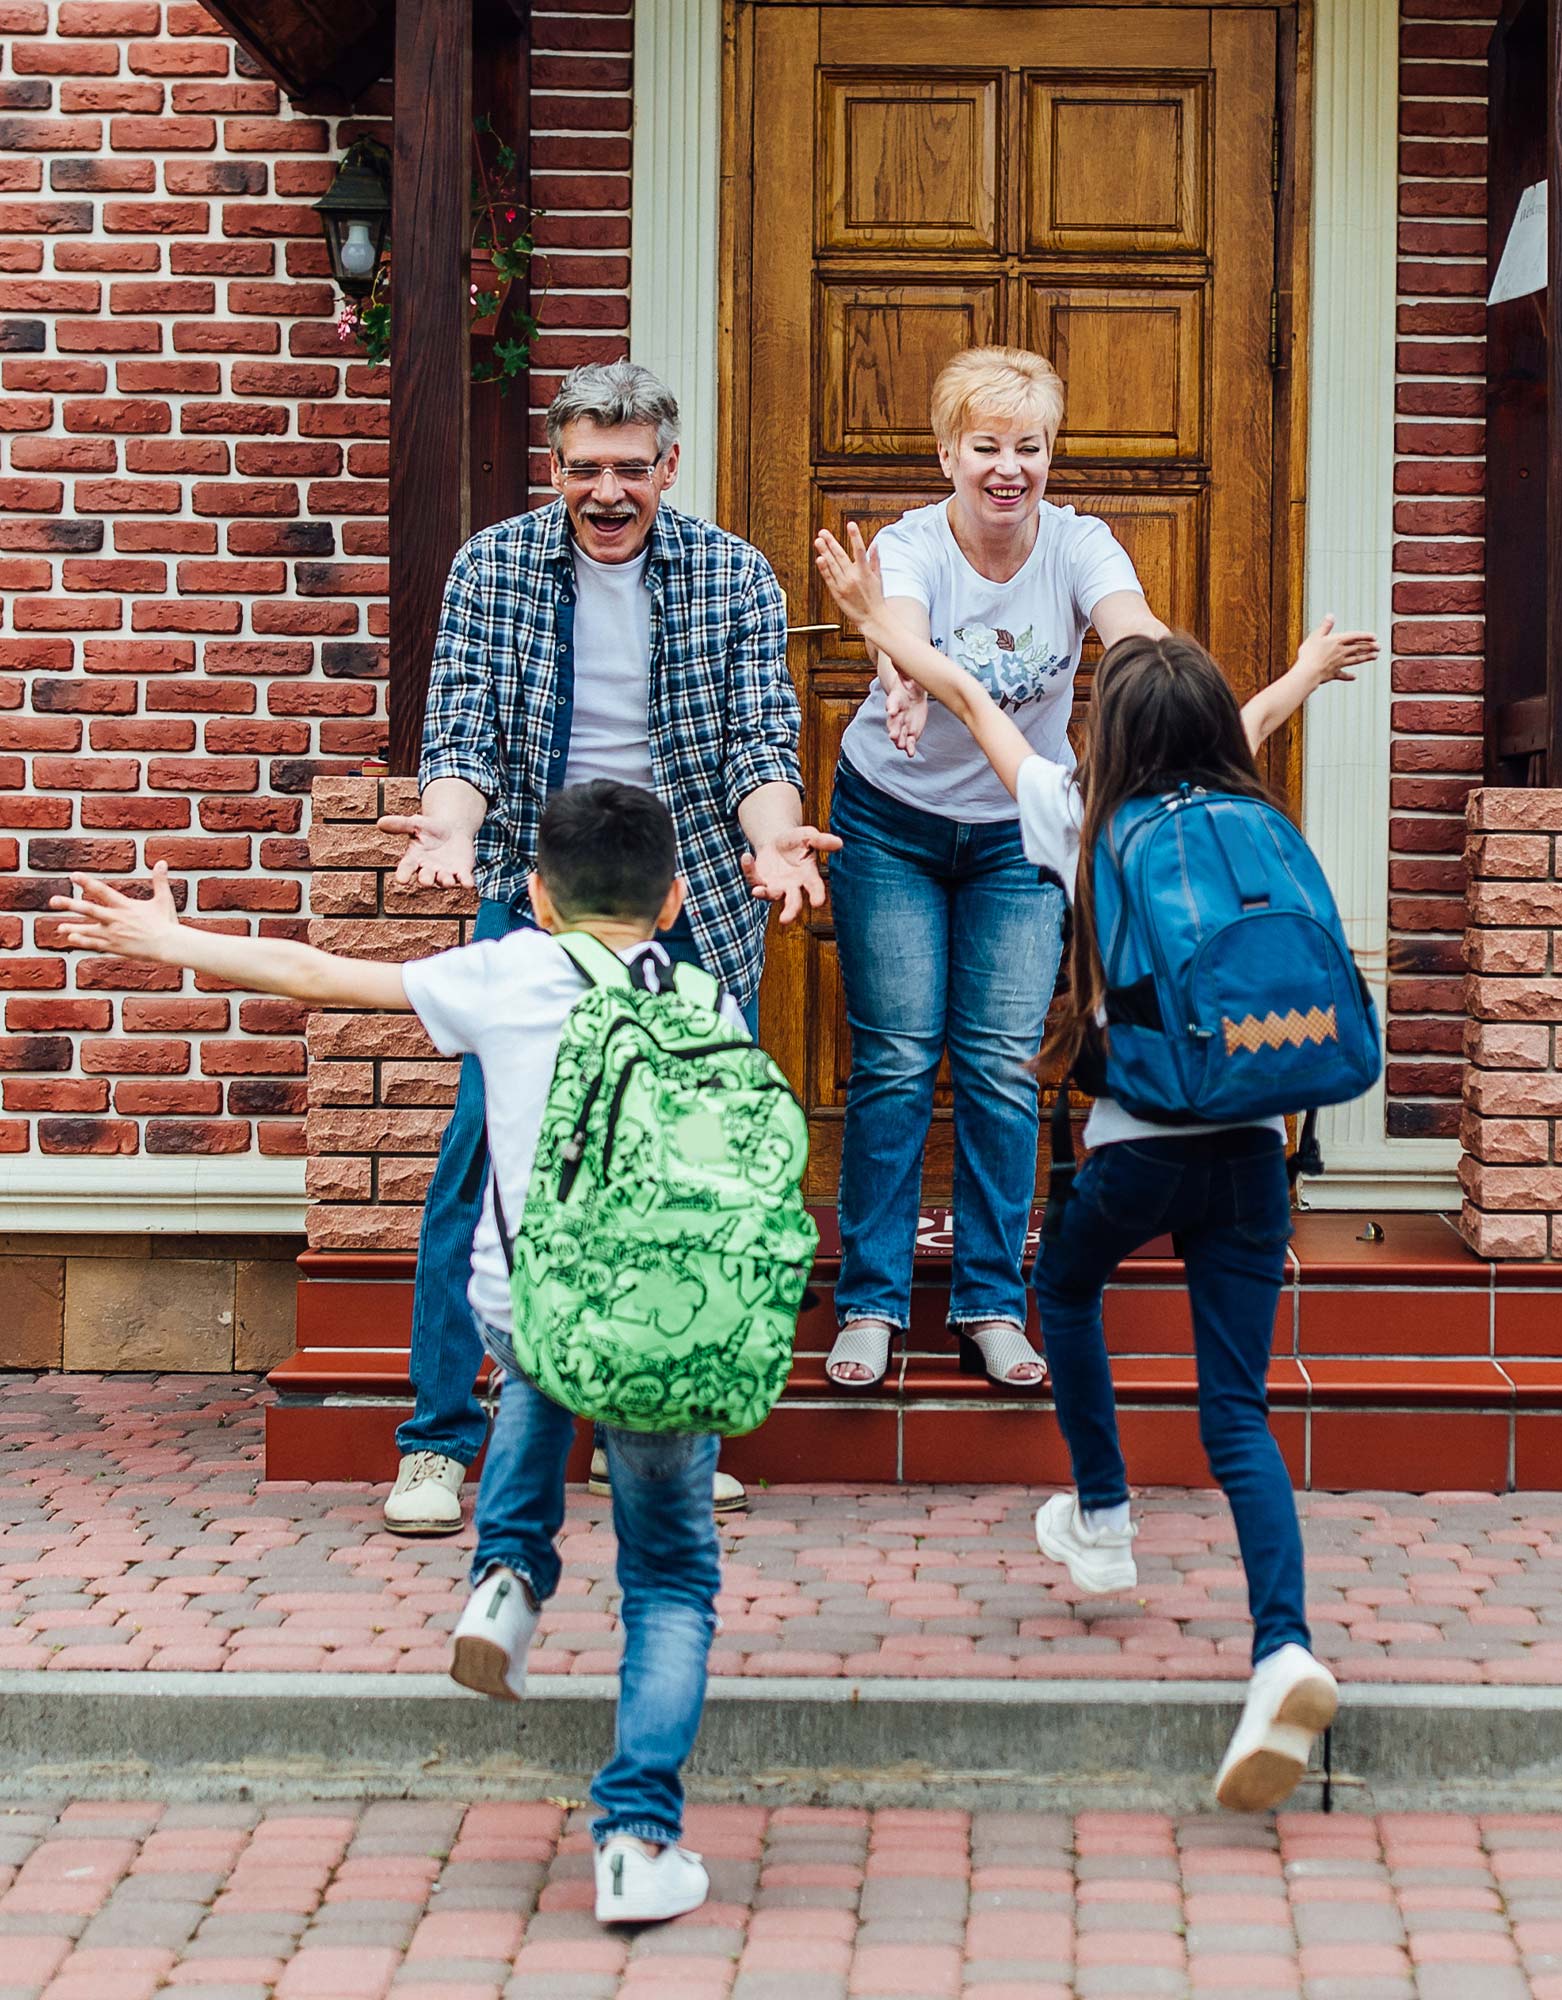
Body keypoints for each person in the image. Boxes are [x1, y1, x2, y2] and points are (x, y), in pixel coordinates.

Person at [56, 781, 733, 1926]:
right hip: (661, 1320)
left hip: (528, 1302)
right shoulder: (708, 1001)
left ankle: (505, 1580)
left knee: (531, 1373)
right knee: (668, 1578)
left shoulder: (506, 971)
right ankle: (635, 1838)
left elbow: (323, 977)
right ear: (673, 899)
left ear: (534, 896)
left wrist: (171, 938)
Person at [814, 519, 1378, 1813]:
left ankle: (1106, 1514)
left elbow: (961, 690)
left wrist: (864, 620)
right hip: (1252, 1153)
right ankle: (1283, 1646)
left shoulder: (1075, 809)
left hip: (1133, 1149)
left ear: (1107, 733)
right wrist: (1293, 673)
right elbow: (1249, 719)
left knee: (1062, 1294)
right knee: (1237, 1413)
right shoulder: (1247, 799)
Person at [379, 360, 834, 1533]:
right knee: (484, 1161)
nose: (606, 491)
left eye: (630, 468)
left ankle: (652, 1430)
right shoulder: (494, 566)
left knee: (677, 1176)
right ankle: (438, 1439)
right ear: (556, 466)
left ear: (667, 467)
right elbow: (461, 729)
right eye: (584, 468)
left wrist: (776, 844)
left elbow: (758, 747)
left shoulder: (731, 572)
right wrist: (449, 825)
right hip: (540, 897)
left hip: (687, 904)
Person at [824, 345, 1169, 1392]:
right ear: (947, 454)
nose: (1006, 466)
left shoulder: (1078, 544)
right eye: (985, 446)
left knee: (999, 1063)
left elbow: (1130, 629)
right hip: (891, 822)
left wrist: (1166, 682)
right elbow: (904, 627)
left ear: (1049, 456)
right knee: (893, 1056)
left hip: (1022, 833)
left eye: (1028, 446)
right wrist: (900, 678)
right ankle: (872, 1303)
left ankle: (988, 1300)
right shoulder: (912, 541)